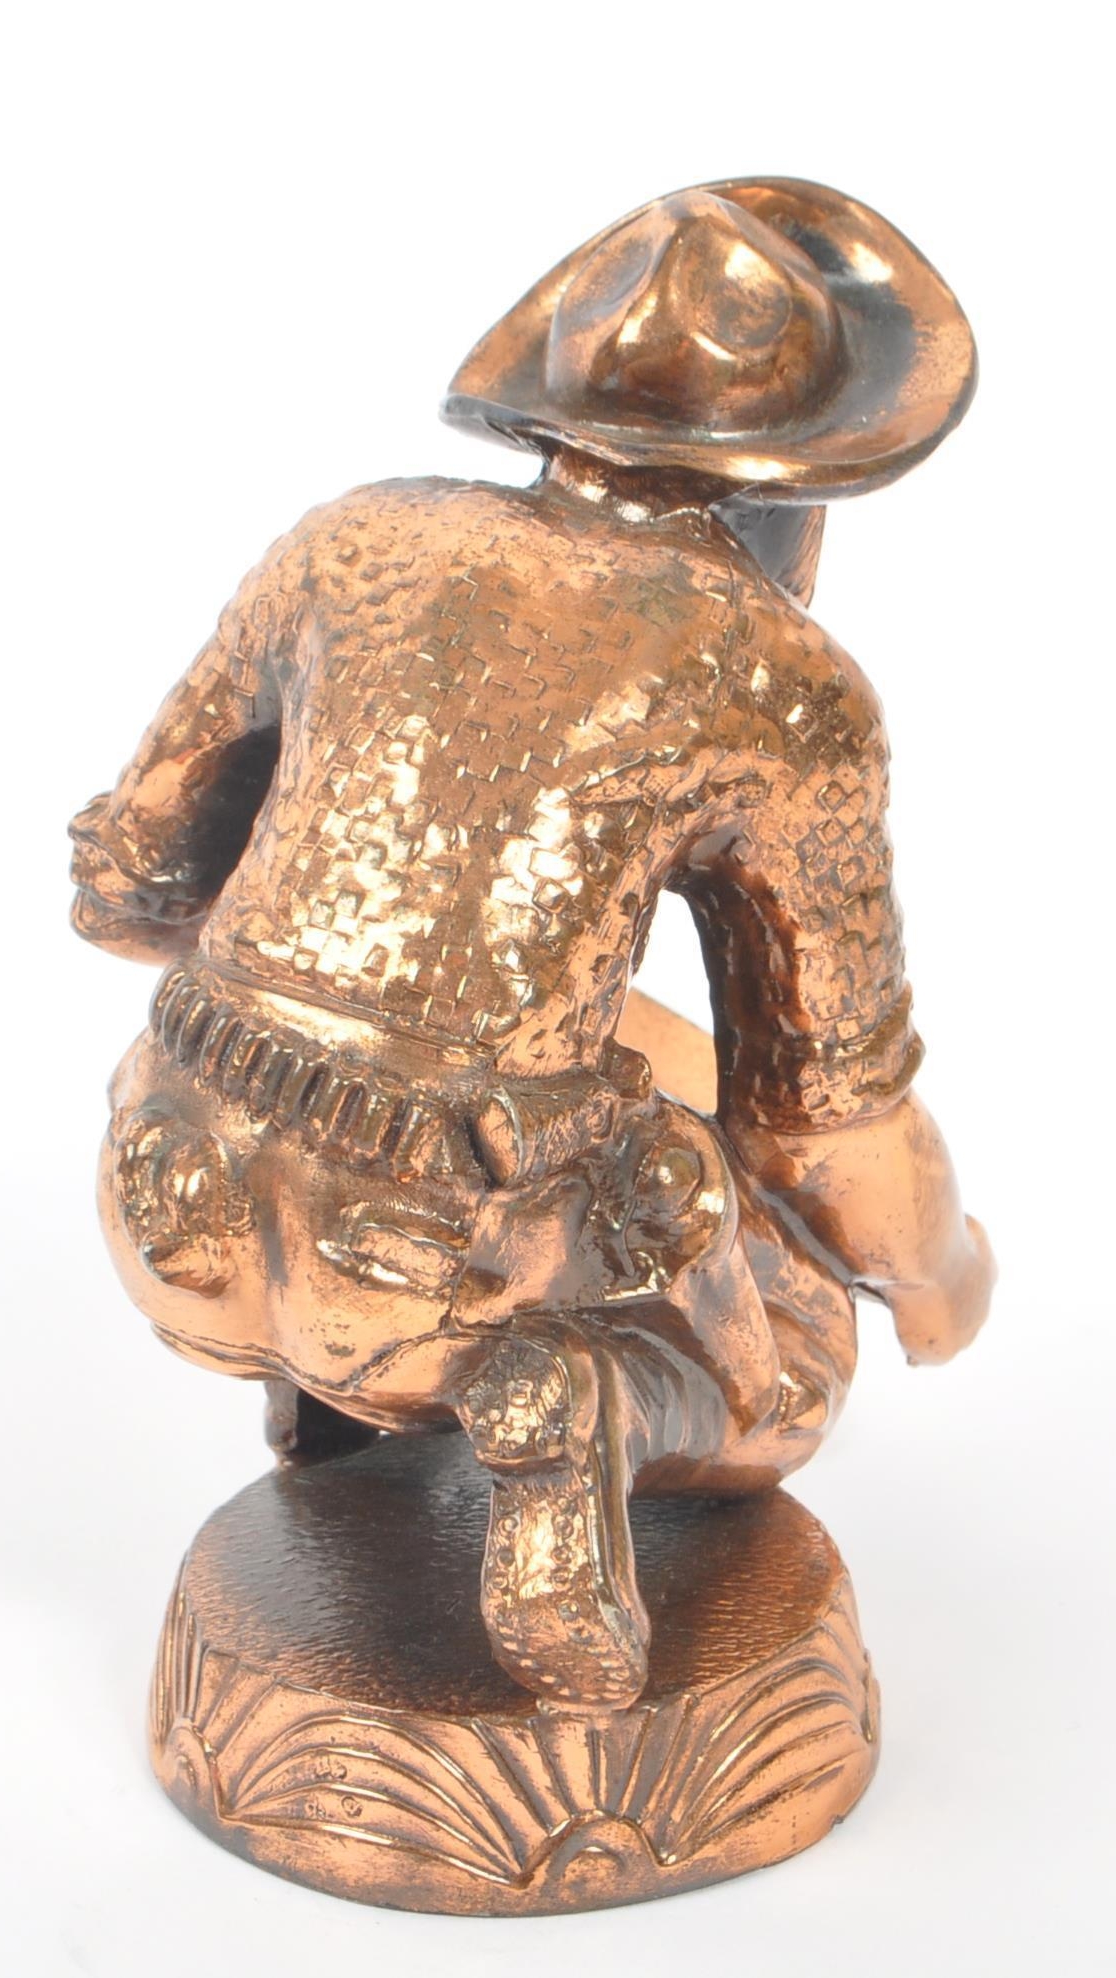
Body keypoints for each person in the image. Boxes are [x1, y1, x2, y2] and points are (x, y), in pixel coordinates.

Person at [70, 178, 994, 1708]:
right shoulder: (779, 681)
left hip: (170, 1185)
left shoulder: (352, 541)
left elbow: (131, 889)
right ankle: (577, 1400)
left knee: (521, 1093)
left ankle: (328, 1408)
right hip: (445, 1258)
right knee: (798, 1348)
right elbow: (825, 1133)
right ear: (799, 486)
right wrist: (946, 1273)